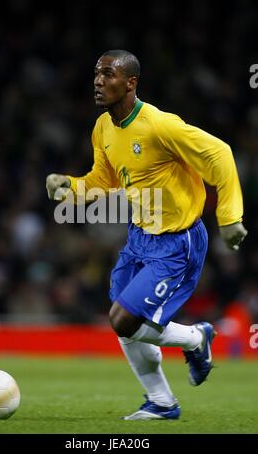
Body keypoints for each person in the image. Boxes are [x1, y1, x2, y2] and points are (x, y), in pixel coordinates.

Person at [46, 49, 248, 420]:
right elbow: (104, 180)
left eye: (108, 74)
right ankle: (162, 403)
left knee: (124, 319)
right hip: (140, 236)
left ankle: (196, 338)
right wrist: (70, 188)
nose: (98, 81)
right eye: (96, 73)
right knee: (123, 325)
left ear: (130, 83)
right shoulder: (103, 127)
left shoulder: (159, 125)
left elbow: (220, 154)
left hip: (177, 241)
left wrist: (230, 217)